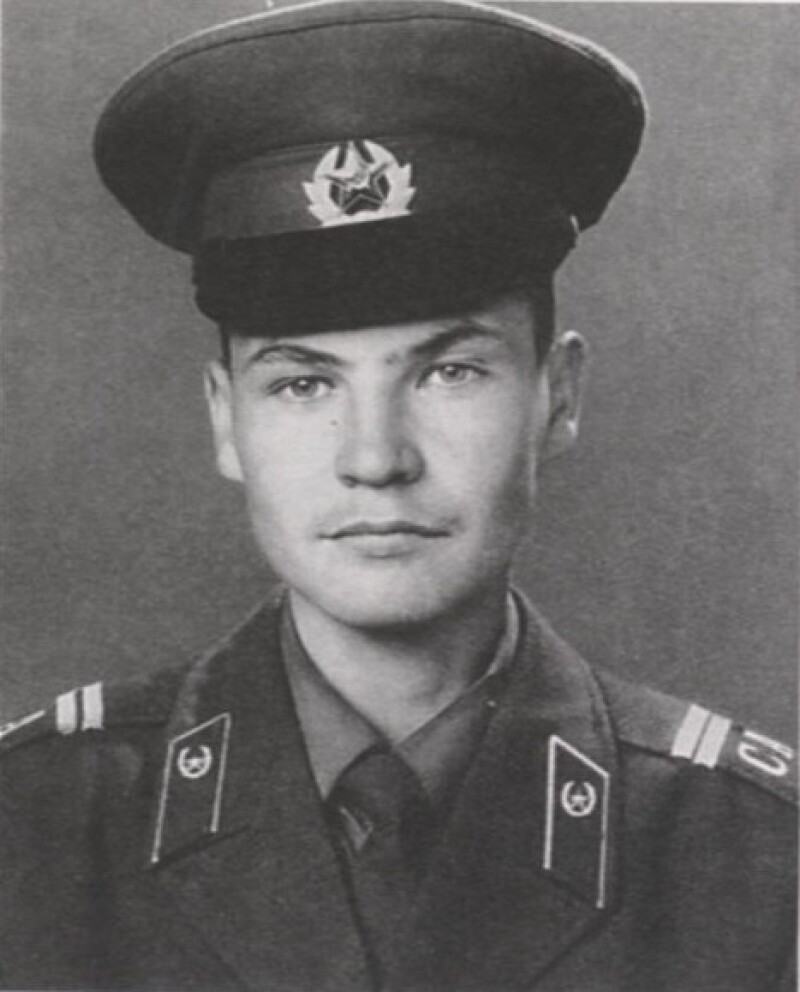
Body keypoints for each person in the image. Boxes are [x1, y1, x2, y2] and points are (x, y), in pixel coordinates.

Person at [0, 2, 795, 990]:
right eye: (303, 383)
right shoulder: (32, 831)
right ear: (225, 420)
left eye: (449, 371)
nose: (374, 458)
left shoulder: (758, 860)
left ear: (557, 395)